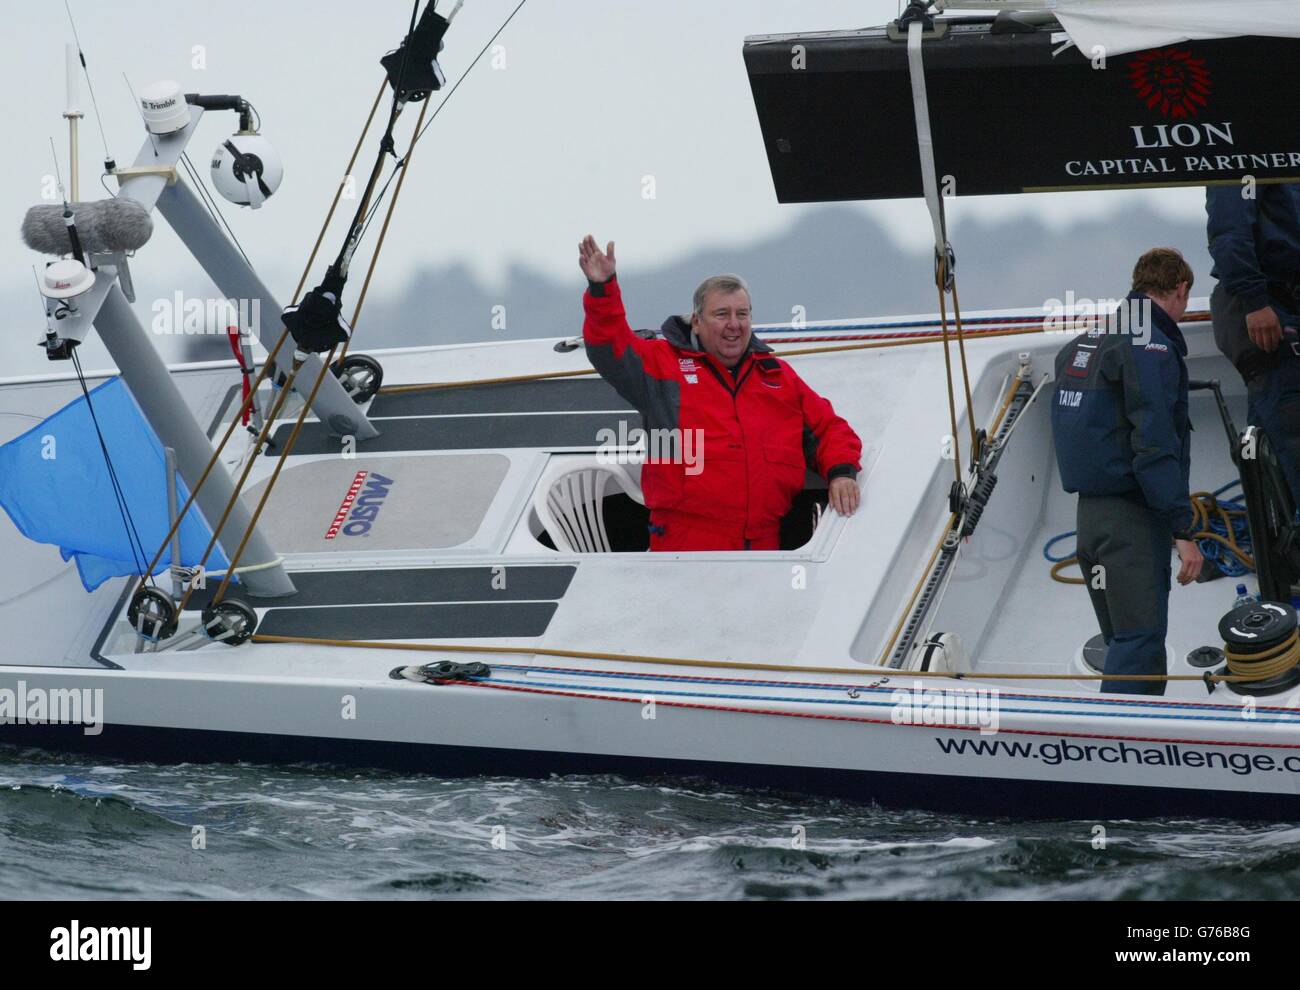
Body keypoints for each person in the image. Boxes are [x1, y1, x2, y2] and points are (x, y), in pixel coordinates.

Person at [578, 235, 862, 551]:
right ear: (696, 322)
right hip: (687, 544)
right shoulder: (662, 365)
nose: (734, 324)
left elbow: (829, 430)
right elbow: (609, 349)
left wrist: (840, 473)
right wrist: (603, 290)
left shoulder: (776, 376)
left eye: (742, 314)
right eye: (722, 314)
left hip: (767, 544)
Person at [1051, 248, 1203, 695]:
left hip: (1089, 524)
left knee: (1120, 639)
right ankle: (1123, 754)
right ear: (1179, 290)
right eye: (1185, 300)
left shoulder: (1080, 346)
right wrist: (1183, 530)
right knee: (1139, 644)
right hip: (1131, 525)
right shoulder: (1150, 347)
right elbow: (1153, 447)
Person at [1206, 182, 1300, 504]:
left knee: (1269, 436)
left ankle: (1279, 543)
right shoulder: (1245, 156)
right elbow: (1230, 230)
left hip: (1283, 304)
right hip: (1264, 306)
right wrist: (1254, 301)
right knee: (1289, 420)